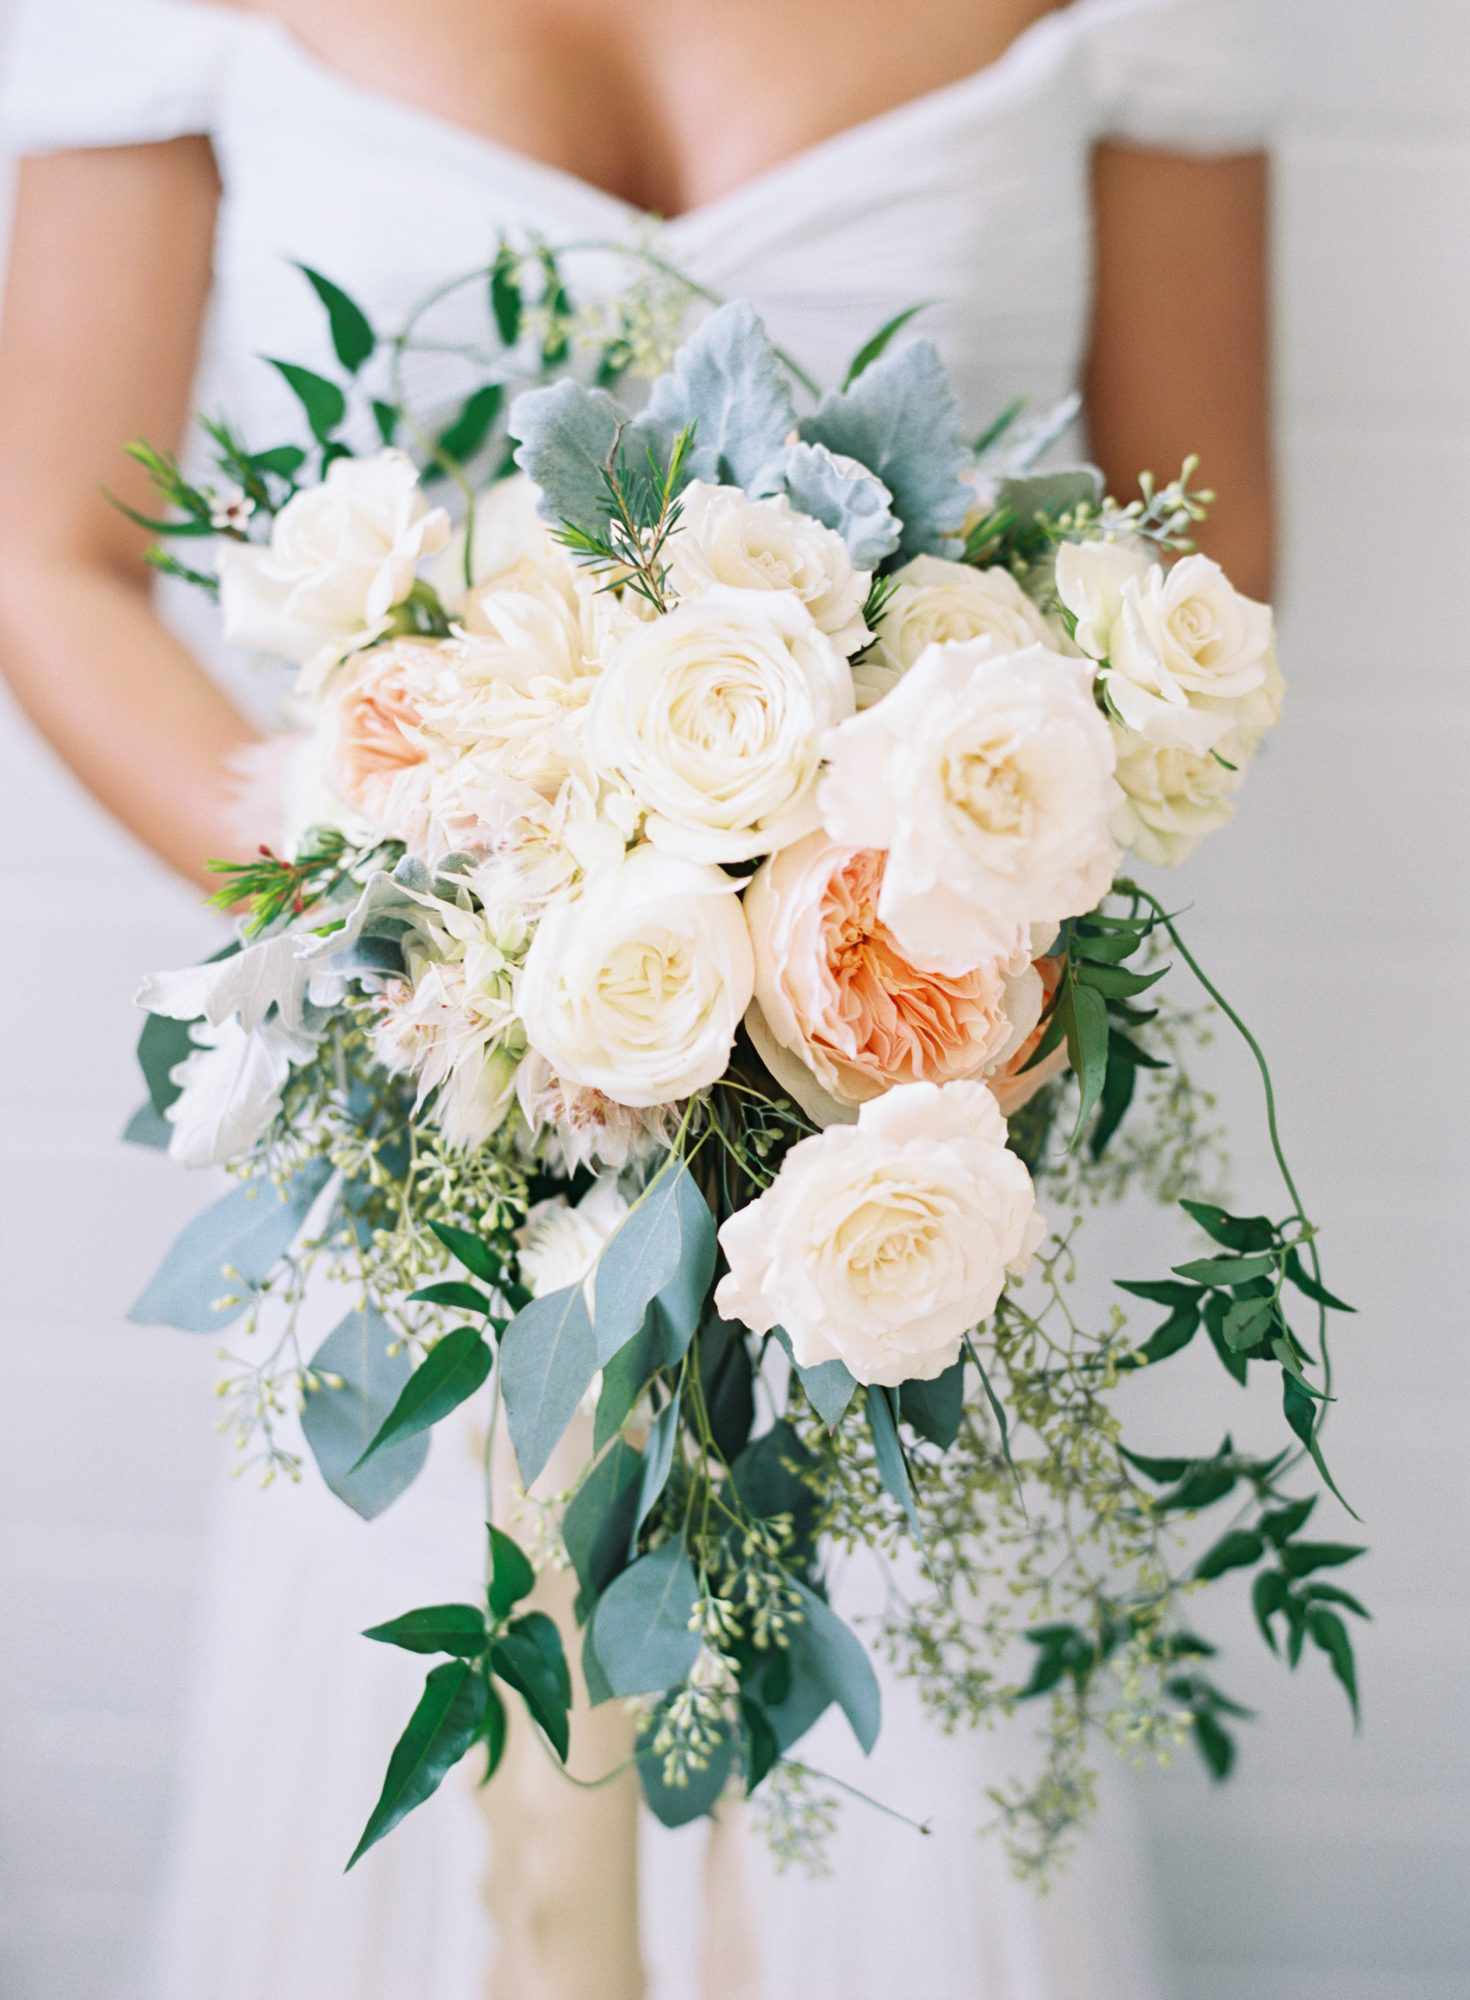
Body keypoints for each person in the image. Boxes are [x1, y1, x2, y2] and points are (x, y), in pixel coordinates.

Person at [0, 2, 1277, 1994]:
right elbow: (45, 550)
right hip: (422, 1164)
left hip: (886, 1190)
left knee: (898, 1820)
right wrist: (440, 950)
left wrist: (876, 948)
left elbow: (1210, 566)